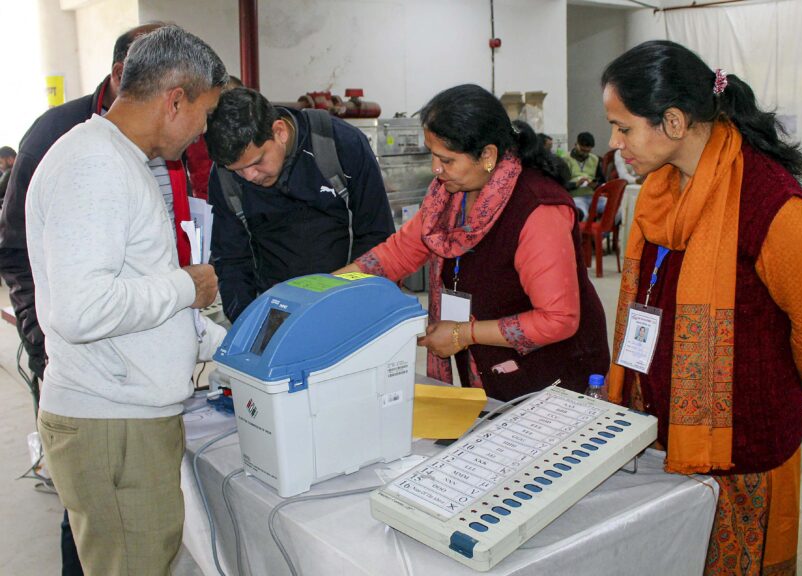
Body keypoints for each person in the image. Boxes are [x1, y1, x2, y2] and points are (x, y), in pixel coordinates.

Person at [603, 40, 802, 576]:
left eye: (623, 127)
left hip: (744, 448)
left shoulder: (772, 205)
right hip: (660, 432)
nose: (614, 142)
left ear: (672, 121)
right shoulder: (660, 191)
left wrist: (773, 383)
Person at [27, 26, 228, 575]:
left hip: (126, 416)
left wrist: (222, 342)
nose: (203, 130)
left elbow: (130, 286)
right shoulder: (95, 167)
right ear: (174, 99)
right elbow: (81, 309)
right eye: (205, 113)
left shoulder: (117, 159)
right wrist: (189, 285)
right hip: (111, 422)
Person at [335, 84, 609, 402]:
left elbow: (558, 319)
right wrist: (327, 287)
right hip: (490, 371)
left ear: (488, 156)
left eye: (447, 160)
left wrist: (461, 333)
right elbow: (398, 254)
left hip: (552, 379)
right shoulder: (447, 198)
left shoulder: (538, 208)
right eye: (433, 157)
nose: (436, 170)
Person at [205, 87, 395, 322]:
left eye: (257, 162)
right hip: (273, 313)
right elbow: (232, 260)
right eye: (238, 170)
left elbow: (376, 234)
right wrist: (249, 324)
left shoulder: (341, 145)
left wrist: (351, 304)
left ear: (280, 131)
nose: (250, 176)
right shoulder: (224, 178)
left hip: (346, 303)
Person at [563, 132, 605, 220]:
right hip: (575, 197)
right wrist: (575, 184)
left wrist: (595, 185)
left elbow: (602, 180)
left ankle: (604, 233)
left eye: (588, 151)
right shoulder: (565, 159)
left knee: (614, 209)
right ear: (576, 145)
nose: (585, 153)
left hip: (593, 196)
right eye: (582, 150)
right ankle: (581, 232)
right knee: (582, 214)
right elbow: (561, 184)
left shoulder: (595, 159)